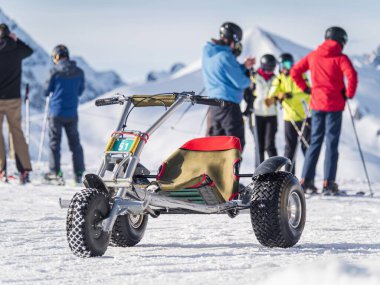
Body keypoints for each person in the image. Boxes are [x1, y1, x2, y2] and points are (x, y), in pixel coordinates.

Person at [291, 27, 358, 195]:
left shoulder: (313, 56)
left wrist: (306, 88)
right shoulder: (341, 58)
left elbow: (295, 71)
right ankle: (328, 183)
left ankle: (306, 180)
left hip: (317, 104)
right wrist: (348, 94)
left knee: (315, 142)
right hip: (334, 106)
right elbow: (352, 75)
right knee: (331, 143)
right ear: (341, 41)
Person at [202, 22, 255, 150]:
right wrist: (250, 81)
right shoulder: (226, 56)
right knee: (235, 145)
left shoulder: (208, 51)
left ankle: (212, 170)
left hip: (213, 106)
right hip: (229, 107)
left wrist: (243, 66)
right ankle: (230, 170)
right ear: (233, 40)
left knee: (213, 145)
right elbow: (241, 81)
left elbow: (224, 72)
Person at [44, 45, 85, 184]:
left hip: (56, 112)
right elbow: (80, 91)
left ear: (56, 56)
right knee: (75, 144)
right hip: (72, 113)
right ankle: (79, 173)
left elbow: (46, 91)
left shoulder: (54, 72)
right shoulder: (79, 72)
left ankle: (56, 173)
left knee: (55, 143)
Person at [0, 23, 33, 184]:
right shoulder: (17, 50)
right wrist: (16, 39)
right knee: (17, 133)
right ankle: (24, 170)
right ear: (9, 34)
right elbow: (29, 50)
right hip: (13, 98)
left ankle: (1, 170)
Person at [269, 53, 311, 174]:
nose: (286, 67)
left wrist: (290, 96)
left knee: (306, 146)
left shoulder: (299, 76)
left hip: (302, 117)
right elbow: (271, 95)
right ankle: (289, 175)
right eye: (284, 65)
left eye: (289, 64)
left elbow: (306, 93)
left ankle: (308, 177)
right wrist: (279, 95)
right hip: (289, 118)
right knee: (290, 148)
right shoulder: (279, 79)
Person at [251, 54, 278, 165]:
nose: (269, 71)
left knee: (269, 145)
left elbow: (280, 92)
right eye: (267, 68)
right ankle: (259, 174)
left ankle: (276, 172)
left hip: (271, 115)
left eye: (272, 68)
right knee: (259, 145)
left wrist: (277, 98)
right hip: (257, 114)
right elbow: (247, 93)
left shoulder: (276, 79)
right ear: (262, 66)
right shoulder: (254, 77)